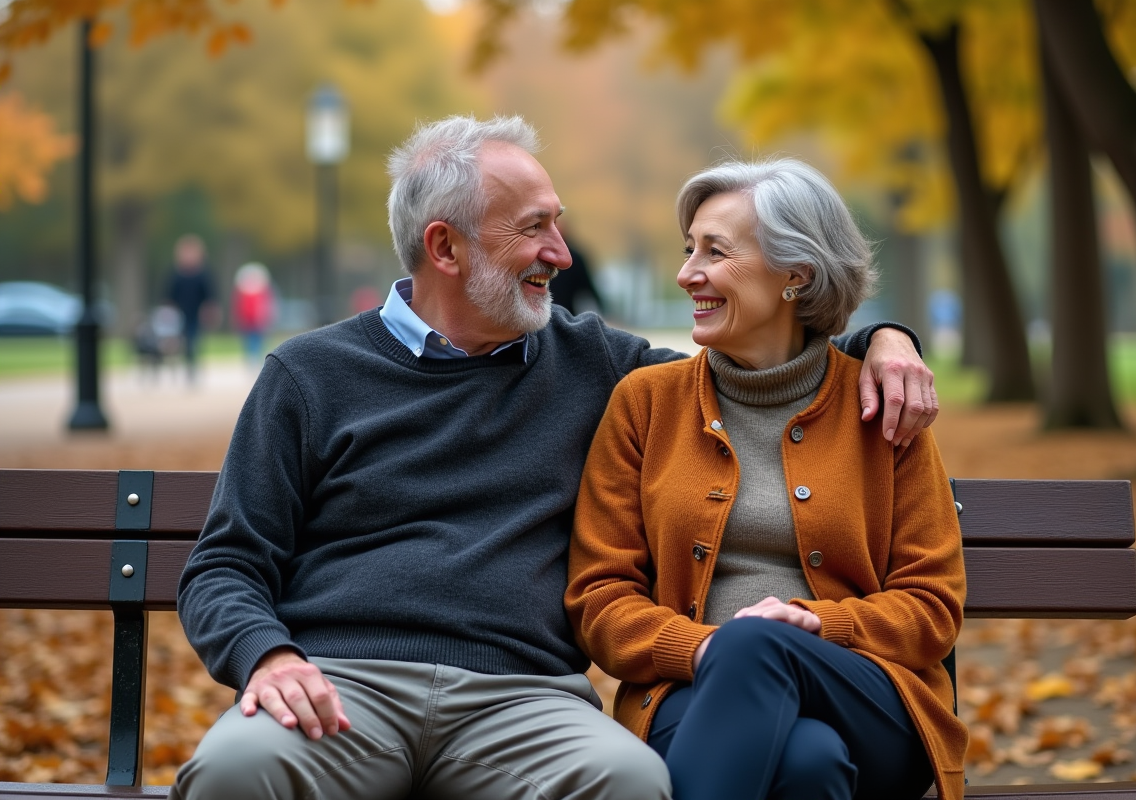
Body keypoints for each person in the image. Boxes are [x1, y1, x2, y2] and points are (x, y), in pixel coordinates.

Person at [171, 116, 938, 800]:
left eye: (558, 225)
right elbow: (224, 566)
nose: (562, 254)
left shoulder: (597, 365)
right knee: (233, 773)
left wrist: (885, 341)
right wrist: (267, 658)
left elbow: (763, 363)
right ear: (445, 246)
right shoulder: (309, 375)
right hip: (340, 685)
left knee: (630, 782)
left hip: (523, 700)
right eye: (534, 228)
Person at [566, 159, 966, 800]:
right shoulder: (646, 403)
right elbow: (600, 598)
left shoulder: (883, 407)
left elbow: (932, 606)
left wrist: (816, 625)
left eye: (715, 251)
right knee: (808, 763)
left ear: (795, 275)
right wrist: (705, 650)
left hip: (869, 695)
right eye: (688, 249)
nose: (687, 273)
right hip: (687, 693)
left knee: (757, 646)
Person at [166, 234, 216, 382]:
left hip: (196, 313)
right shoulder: (176, 274)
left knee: (192, 340)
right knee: (178, 341)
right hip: (179, 314)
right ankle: (182, 365)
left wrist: (209, 311)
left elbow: (209, 295)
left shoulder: (202, 274)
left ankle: (192, 366)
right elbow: (170, 295)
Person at [230, 262, 276, 366]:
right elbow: (239, 307)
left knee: (258, 339)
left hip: (258, 320)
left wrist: (265, 317)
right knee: (249, 340)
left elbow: (266, 306)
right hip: (248, 320)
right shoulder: (243, 292)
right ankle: (251, 357)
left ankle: (257, 357)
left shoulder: (261, 292)